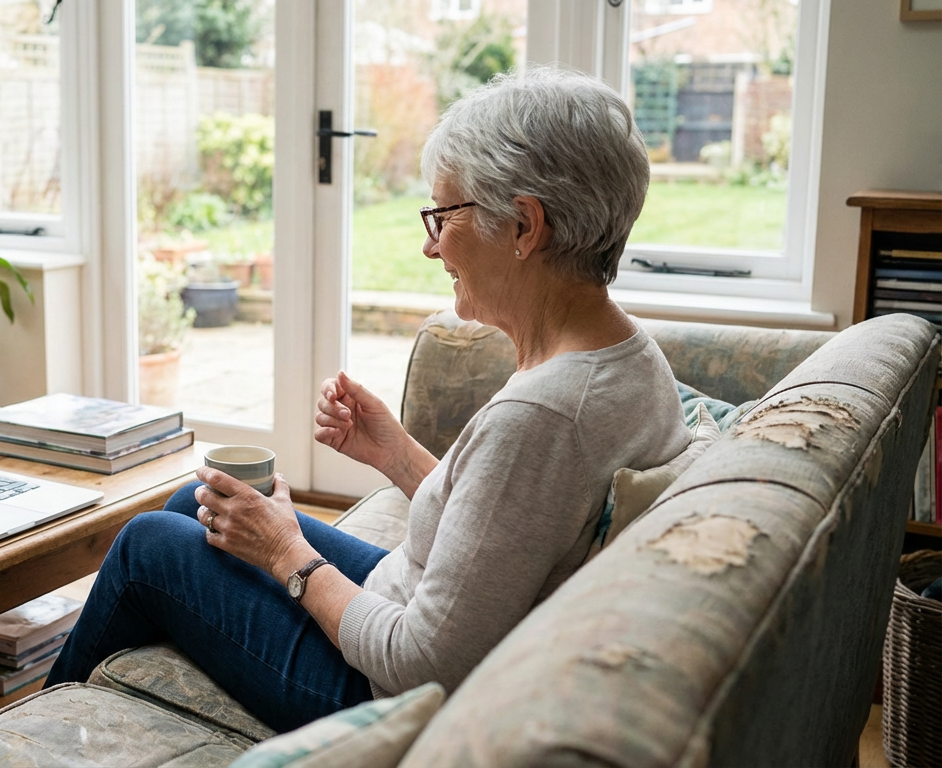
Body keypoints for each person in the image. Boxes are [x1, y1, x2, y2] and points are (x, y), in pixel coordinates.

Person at [44, 66, 693, 732]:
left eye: (444, 215)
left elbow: (419, 665)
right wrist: (394, 453)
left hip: (385, 694)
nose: (428, 244)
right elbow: (507, 528)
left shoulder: (545, 414)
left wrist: (286, 555)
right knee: (197, 504)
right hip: (426, 611)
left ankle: (37, 736)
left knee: (150, 541)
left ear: (525, 226)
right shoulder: (628, 358)